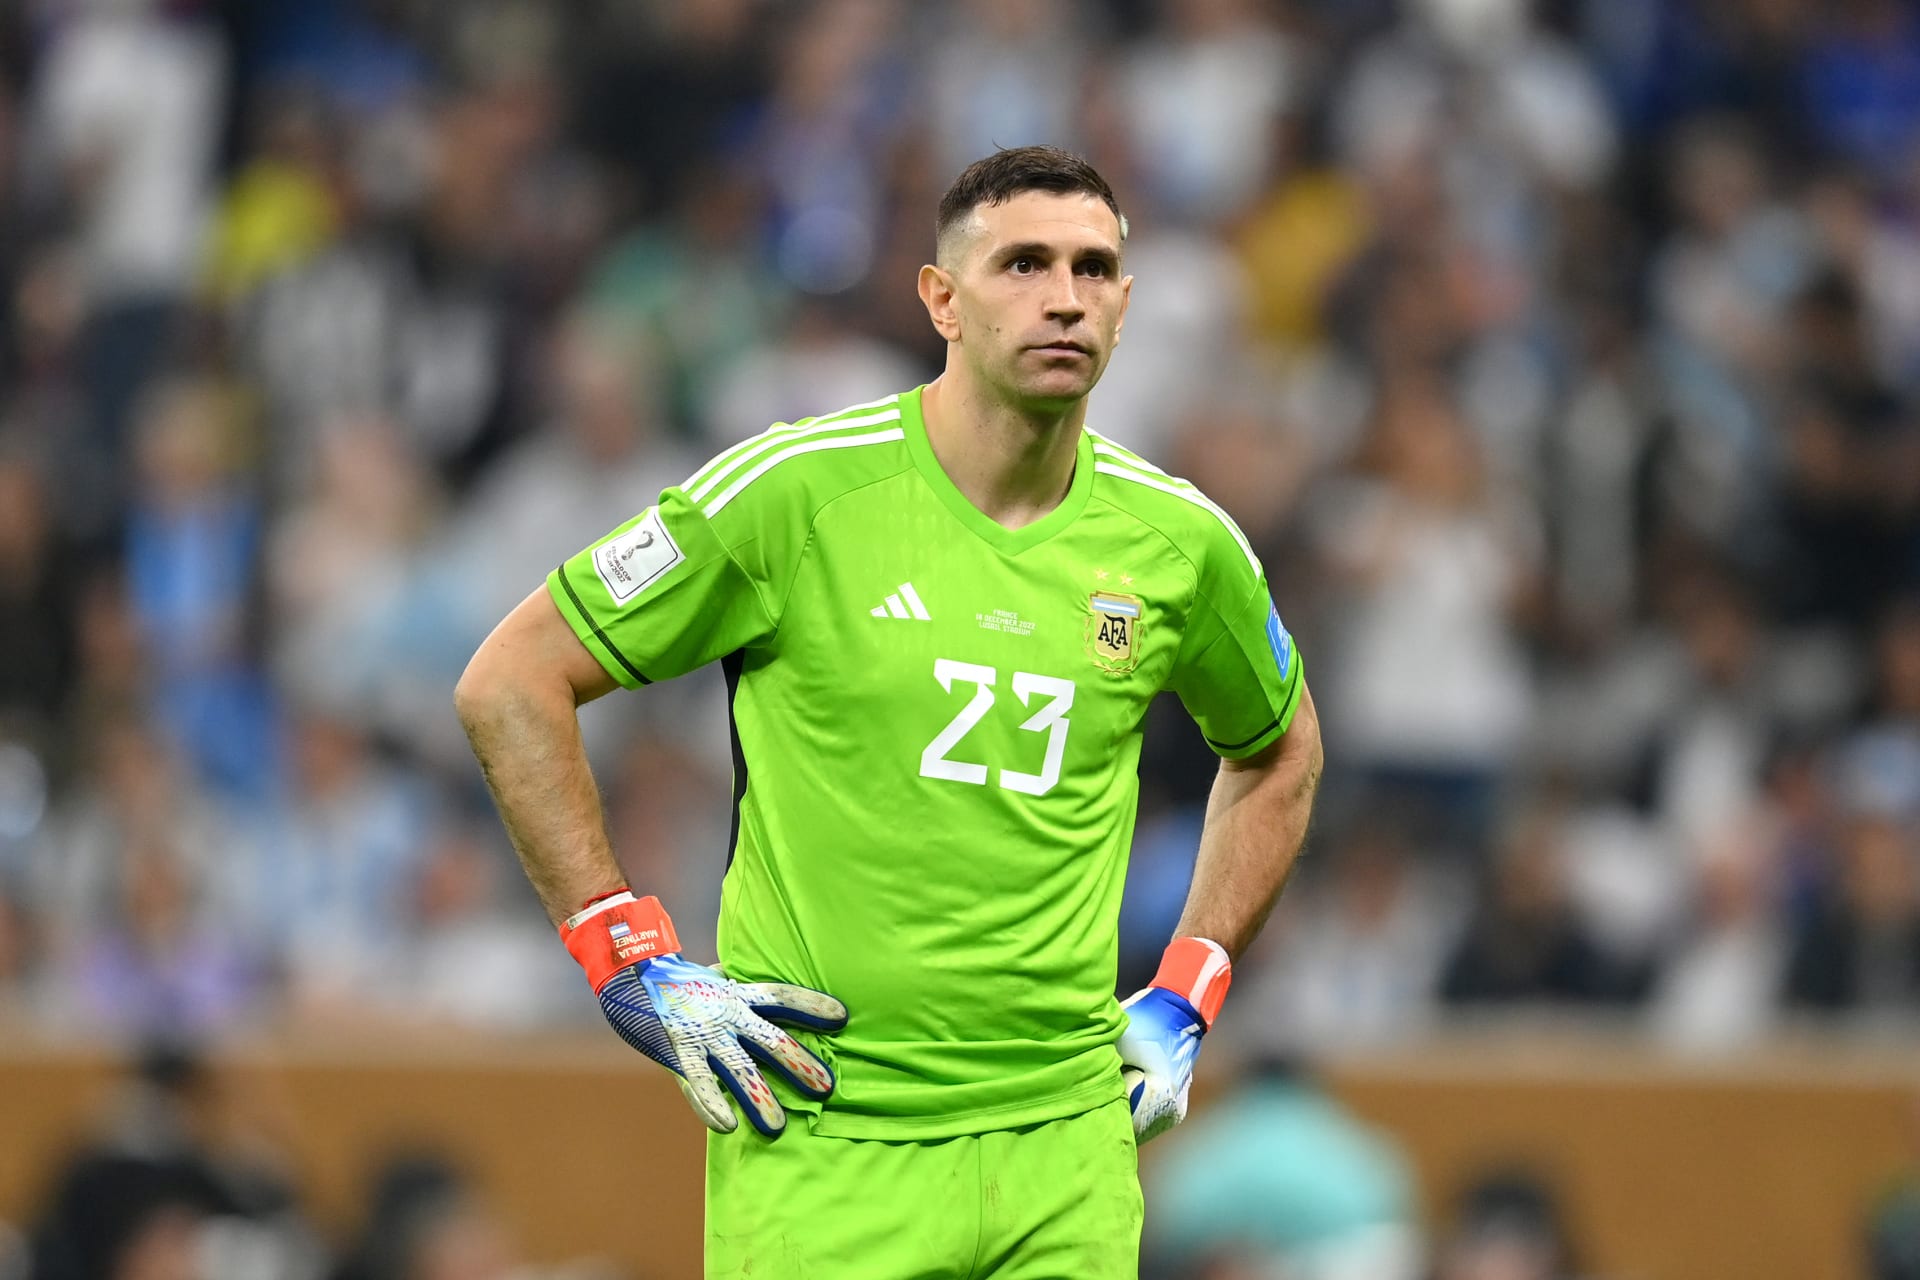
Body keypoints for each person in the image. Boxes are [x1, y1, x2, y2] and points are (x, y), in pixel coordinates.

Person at [454, 145, 1322, 1278]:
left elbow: (1280, 752)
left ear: (1124, 303)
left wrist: (1189, 986)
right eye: (1023, 264)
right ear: (942, 300)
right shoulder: (797, 494)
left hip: (1066, 1144)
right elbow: (512, 679)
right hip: (824, 1131)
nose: (1065, 297)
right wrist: (624, 952)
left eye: (1094, 268)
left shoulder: (1180, 544)